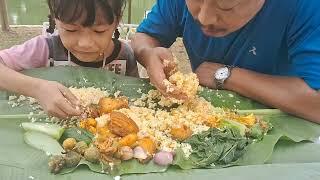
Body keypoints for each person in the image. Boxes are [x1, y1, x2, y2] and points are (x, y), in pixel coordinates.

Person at [132, 0, 320, 123]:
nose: (205, 17)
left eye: (226, 7)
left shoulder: (307, 6)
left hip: (279, 125)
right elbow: (144, 36)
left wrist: (227, 76)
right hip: (205, 124)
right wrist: (149, 54)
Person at [0, 0, 138, 119]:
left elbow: (137, 102)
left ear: (117, 21)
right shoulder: (43, 49)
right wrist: (37, 89)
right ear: (55, 18)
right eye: (71, 30)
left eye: (99, 31)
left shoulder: (125, 56)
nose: (85, 43)